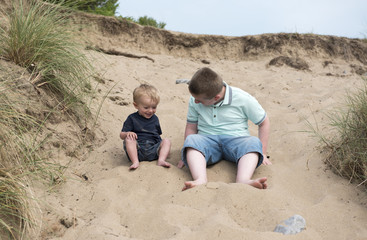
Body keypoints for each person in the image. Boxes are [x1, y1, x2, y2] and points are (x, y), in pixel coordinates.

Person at [177, 67, 271, 191]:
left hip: (237, 140)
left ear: (216, 97)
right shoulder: (195, 99)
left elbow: (264, 122)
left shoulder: (243, 98)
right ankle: (200, 179)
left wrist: (263, 153)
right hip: (207, 140)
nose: (195, 101)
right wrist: (186, 153)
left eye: (199, 100)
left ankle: (243, 179)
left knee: (253, 143)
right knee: (192, 141)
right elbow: (191, 127)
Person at [120, 84, 171, 170]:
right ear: (136, 105)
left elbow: (157, 136)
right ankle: (135, 162)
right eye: (146, 107)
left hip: (153, 151)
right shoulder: (132, 118)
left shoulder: (155, 119)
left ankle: (161, 160)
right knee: (129, 139)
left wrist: (162, 148)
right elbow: (121, 135)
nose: (150, 110)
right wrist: (128, 133)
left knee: (166, 141)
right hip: (137, 151)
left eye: (154, 107)